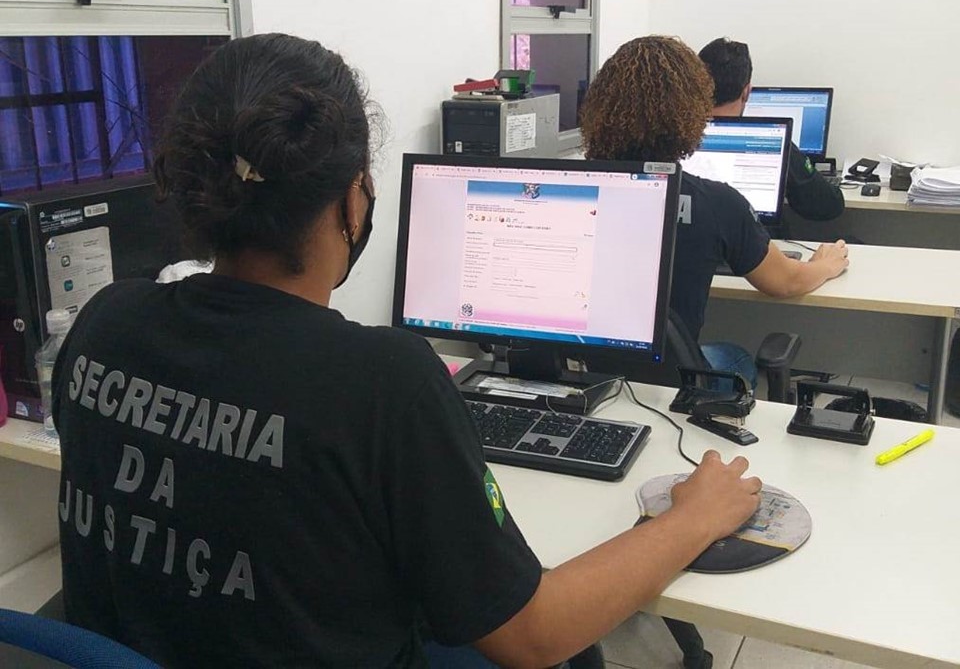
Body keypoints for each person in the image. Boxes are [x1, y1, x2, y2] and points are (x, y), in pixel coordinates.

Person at [51, 33, 763, 668]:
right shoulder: (382, 381)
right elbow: (534, 635)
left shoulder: (104, 321)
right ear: (352, 201)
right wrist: (694, 517)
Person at [579, 36, 849, 384]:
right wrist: (825, 264)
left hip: (585, 379)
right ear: (693, 112)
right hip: (674, 385)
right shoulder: (716, 202)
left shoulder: (572, 191)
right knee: (735, 357)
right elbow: (786, 282)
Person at [698, 37, 845, 223]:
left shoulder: (676, 136)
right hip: (756, 239)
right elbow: (827, 205)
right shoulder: (772, 139)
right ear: (746, 92)